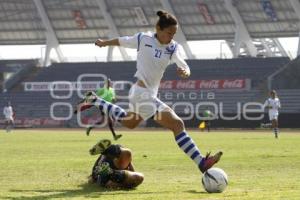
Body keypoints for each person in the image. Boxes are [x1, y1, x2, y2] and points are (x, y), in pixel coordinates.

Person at [76, 10, 222, 173]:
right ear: (158, 28)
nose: (171, 37)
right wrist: (104, 43)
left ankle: (94, 100)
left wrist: (185, 72)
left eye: (174, 34)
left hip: (146, 94)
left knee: (129, 123)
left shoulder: (173, 48)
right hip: (141, 93)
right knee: (177, 124)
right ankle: (201, 162)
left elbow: (184, 65)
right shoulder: (143, 38)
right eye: (169, 33)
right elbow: (123, 41)